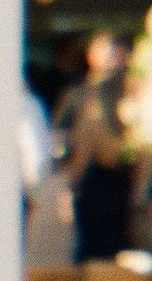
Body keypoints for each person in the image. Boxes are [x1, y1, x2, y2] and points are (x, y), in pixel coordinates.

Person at [54, 28, 141, 263]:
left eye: (116, 49)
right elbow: (61, 139)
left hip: (124, 180)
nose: (112, 55)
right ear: (91, 55)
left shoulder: (133, 92)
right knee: (90, 249)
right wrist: (65, 186)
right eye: (105, 49)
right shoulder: (77, 94)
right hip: (88, 180)